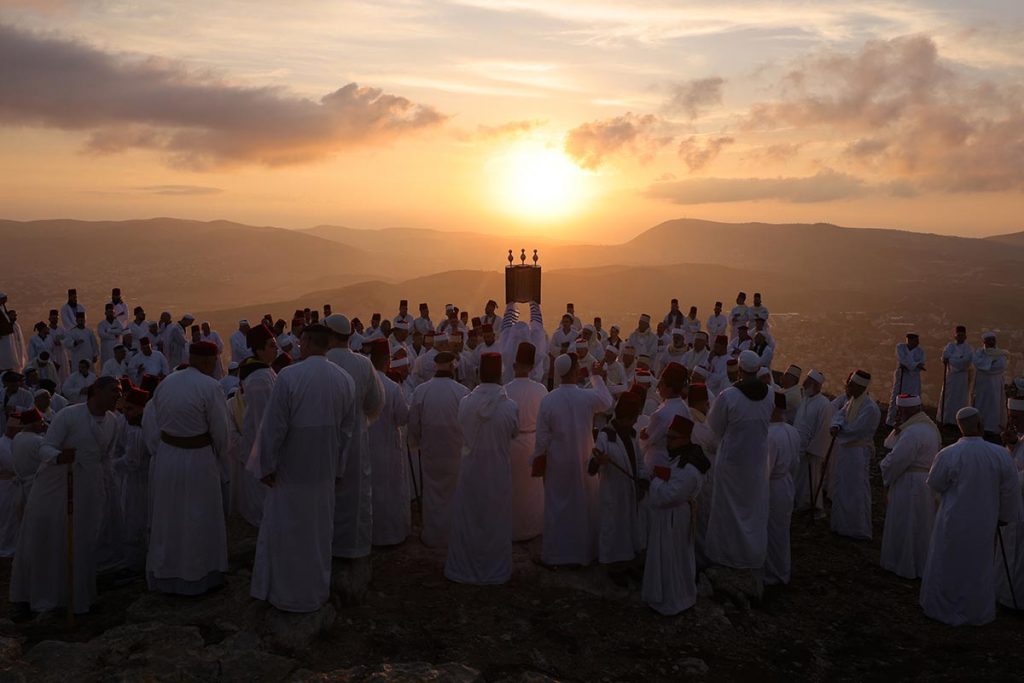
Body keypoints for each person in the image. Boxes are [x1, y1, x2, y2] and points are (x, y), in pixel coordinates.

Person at [248, 323, 356, 613]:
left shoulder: (289, 376)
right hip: (323, 473)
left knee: (288, 530)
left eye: (301, 341)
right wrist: (338, 469)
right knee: (318, 533)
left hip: (291, 471)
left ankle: (286, 594)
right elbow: (346, 433)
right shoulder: (345, 380)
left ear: (307, 342)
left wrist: (266, 466)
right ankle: (314, 592)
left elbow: (273, 429)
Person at [10, 376, 122, 615]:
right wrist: (60, 457)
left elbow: (107, 457)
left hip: (90, 488)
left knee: (83, 540)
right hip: (57, 487)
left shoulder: (113, 421)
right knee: (51, 539)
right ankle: (45, 596)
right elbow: (45, 447)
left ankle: (79, 597)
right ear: (97, 391)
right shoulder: (69, 416)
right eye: (114, 390)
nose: (118, 396)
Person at [920, 407, 1023, 626]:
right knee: (978, 565)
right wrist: (1005, 517)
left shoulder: (948, 454)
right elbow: (1010, 489)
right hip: (984, 520)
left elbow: (935, 484)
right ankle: (975, 611)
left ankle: (942, 606)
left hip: (952, 520)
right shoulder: (999, 454)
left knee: (947, 560)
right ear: (980, 425)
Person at [143, 342, 230, 595]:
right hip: (198, 460)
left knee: (170, 516)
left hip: (168, 458)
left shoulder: (167, 383)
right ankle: (200, 575)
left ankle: (167, 574)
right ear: (207, 361)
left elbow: (155, 422)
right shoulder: (210, 387)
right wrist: (220, 459)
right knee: (198, 516)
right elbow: (221, 432)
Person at [444, 353, 518, 584]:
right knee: (494, 521)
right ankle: (494, 569)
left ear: (479, 373)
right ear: (500, 374)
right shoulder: (511, 407)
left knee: (470, 518)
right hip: (496, 472)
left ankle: (464, 568)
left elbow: (461, 427)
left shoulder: (465, 403)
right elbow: (514, 433)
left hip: (471, 471)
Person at [532, 353, 613, 566]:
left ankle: (555, 555)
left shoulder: (548, 399)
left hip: (557, 463)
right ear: (575, 371)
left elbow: (541, 437)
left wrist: (539, 460)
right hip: (582, 460)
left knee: (557, 507)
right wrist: (597, 377)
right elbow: (607, 401)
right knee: (583, 506)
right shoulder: (585, 398)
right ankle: (583, 554)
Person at [705, 350, 773, 570]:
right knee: (752, 508)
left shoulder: (728, 396)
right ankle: (751, 554)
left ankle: (725, 556)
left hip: (732, 463)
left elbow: (714, 427)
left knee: (727, 509)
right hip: (757, 462)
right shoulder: (770, 393)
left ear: (740, 370)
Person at [324, 314, 383, 561]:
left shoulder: (320, 361)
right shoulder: (362, 364)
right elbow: (375, 403)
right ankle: (353, 549)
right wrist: (361, 420)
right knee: (354, 492)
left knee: (327, 493)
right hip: (356, 438)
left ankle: (324, 545)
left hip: (323, 437)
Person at [641, 414, 708, 616]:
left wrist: (655, 481)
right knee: (674, 556)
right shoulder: (683, 456)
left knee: (671, 557)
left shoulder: (687, 466)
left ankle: (674, 599)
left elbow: (668, 495)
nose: (668, 442)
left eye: (672, 438)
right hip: (673, 515)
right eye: (667, 437)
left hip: (673, 517)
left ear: (685, 438)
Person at [409, 350, 470, 547]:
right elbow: (468, 426)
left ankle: (433, 535)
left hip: (430, 451)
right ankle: (453, 534)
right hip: (455, 452)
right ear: (453, 366)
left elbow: (413, 425)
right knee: (454, 493)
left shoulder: (421, 391)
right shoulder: (463, 392)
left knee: (432, 493)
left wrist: (417, 443)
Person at [879, 394, 941, 579]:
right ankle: (919, 564)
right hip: (925, 484)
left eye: (900, 411)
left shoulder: (912, 432)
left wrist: (884, 466)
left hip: (909, 482)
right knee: (921, 525)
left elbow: (897, 459)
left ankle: (902, 564)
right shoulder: (929, 428)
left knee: (905, 523)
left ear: (905, 410)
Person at [590, 392, 644, 573]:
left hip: (629, 491)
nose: (636, 421)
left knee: (627, 528)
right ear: (627, 418)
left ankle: (627, 562)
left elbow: (640, 461)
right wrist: (599, 461)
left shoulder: (632, 435)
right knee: (613, 528)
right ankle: (612, 566)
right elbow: (592, 467)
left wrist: (643, 481)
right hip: (613, 492)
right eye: (634, 418)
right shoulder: (606, 436)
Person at [366, 339, 411, 546]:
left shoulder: (363, 385)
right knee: (390, 490)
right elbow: (402, 417)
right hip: (388, 446)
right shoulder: (392, 388)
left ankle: (370, 534)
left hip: (367, 446)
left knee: (371, 490)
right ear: (387, 361)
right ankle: (391, 534)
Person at [829, 370, 881, 540]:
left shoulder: (870, 407)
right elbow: (840, 414)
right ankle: (841, 524)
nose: (848, 387)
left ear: (860, 386)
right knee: (842, 486)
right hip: (846, 451)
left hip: (857, 453)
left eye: (851, 384)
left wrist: (840, 429)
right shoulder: (852, 401)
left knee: (855, 490)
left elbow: (857, 429)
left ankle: (857, 528)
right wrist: (836, 424)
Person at [236, 325, 279, 527]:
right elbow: (262, 420)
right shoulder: (259, 379)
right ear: (259, 350)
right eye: (271, 346)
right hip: (260, 448)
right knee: (263, 505)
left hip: (262, 444)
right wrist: (268, 459)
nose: (276, 349)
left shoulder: (263, 371)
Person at [504, 342, 547, 541]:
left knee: (512, 489)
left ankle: (512, 529)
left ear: (514, 366)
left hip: (510, 444)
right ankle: (533, 527)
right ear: (531, 367)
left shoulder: (504, 391)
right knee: (531, 491)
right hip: (533, 443)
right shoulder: (540, 390)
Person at [112, 387, 152, 573]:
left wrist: (110, 465)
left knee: (135, 521)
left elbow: (132, 462)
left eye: (130, 409)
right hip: (139, 481)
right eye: (125, 409)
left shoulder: (139, 431)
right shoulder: (137, 426)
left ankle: (136, 563)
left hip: (139, 483)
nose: (126, 413)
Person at [764, 390, 800, 585]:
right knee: (782, 531)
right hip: (786, 484)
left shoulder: (769, 435)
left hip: (772, 488)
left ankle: (772, 575)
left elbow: (766, 470)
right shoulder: (792, 431)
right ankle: (782, 570)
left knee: (772, 531)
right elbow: (796, 462)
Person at [792, 370, 832, 514]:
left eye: (807, 383)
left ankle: (810, 504)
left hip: (812, 451)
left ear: (815, 385)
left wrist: (813, 449)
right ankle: (798, 502)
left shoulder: (824, 404)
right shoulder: (805, 400)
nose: (804, 385)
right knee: (798, 477)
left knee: (811, 479)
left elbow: (824, 430)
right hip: (799, 447)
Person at [997, 397, 1024, 610]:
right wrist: (1012, 444)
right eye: (1011, 416)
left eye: (1016, 417)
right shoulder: (1021, 439)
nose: (1012, 421)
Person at [973, 332, 1009, 438]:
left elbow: (1001, 366)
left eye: (993, 340)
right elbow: (977, 363)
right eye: (989, 340)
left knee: (994, 405)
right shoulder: (979, 352)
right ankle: (981, 427)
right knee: (982, 404)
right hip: (982, 385)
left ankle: (993, 428)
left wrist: (987, 365)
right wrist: (990, 362)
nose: (991, 342)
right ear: (984, 341)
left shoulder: (1000, 353)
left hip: (995, 385)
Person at [886, 333, 926, 427]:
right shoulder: (900, 347)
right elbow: (901, 360)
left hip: (913, 378)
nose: (917, 343)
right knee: (897, 396)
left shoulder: (920, 351)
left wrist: (911, 365)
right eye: (914, 341)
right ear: (909, 340)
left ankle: (911, 420)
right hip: (902, 376)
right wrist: (915, 365)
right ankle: (893, 420)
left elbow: (922, 362)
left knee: (913, 397)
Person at [938, 326, 973, 429]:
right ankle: (945, 419)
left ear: (965, 336)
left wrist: (951, 359)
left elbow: (965, 362)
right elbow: (944, 356)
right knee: (948, 397)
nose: (960, 337)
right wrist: (957, 359)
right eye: (958, 335)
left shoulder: (969, 348)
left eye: (962, 335)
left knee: (960, 398)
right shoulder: (950, 346)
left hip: (962, 377)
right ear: (955, 336)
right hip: (950, 376)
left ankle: (958, 421)